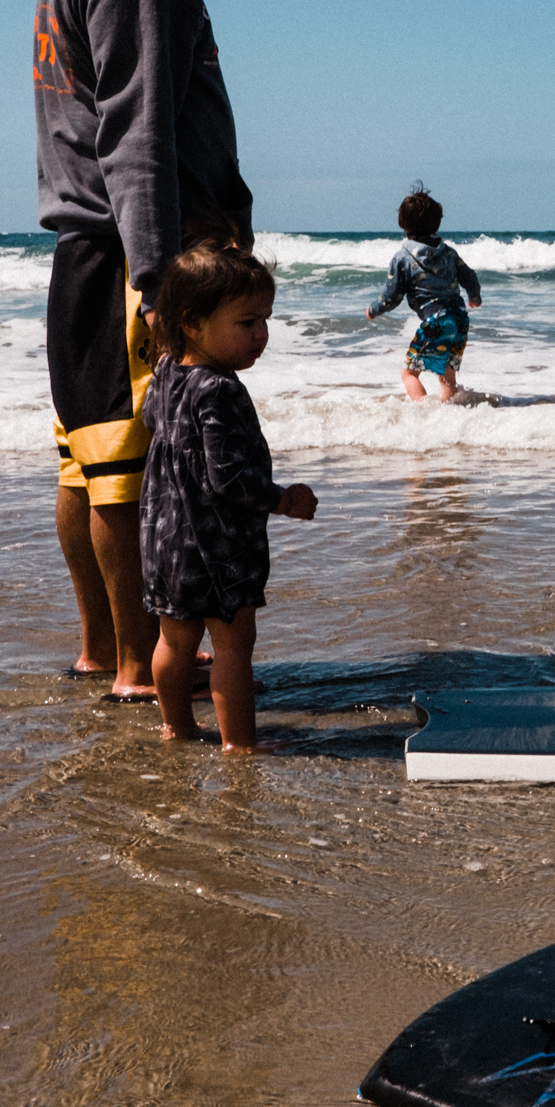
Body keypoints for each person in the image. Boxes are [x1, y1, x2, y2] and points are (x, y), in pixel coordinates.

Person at [33, 0, 253, 700]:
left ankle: (102, 649)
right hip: (134, 247)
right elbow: (138, 132)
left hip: (87, 242)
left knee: (88, 462)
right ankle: (135, 665)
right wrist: (160, 281)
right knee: (131, 470)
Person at [139, 243, 316, 752]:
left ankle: (177, 726)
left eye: (265, 319)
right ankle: (239, 743)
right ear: (193, 324)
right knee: (234, 646)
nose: (261, 334)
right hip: (215, 546)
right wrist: (283, 499)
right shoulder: (219, 388)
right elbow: (228, 478)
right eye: (246, 322)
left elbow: (154, 421)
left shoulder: (168, 371)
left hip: (164, 537)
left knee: (173, 641)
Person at [366, 186, 483, 402]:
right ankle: (450, 414)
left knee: (409, 372)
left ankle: (424, 416)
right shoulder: (448, 252)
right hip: (459, 319)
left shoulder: (403, 257)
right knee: (447, 376)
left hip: (437, 321)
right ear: (437, 222)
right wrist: (474, 297)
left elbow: (392, 297)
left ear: (402, 223)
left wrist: (374, 309)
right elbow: (469, 276)